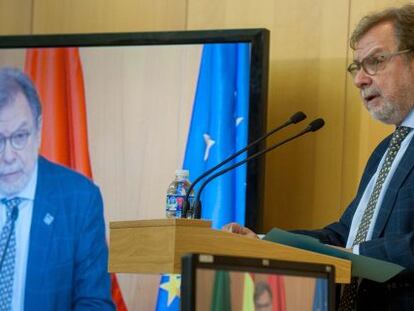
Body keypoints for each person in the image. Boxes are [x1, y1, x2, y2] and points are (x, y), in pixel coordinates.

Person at [224, 4, 414, 311]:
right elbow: (344, 235)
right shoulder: (388, 149)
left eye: (375, 61)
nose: (359, 80)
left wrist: (355, 254)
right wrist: (261, 242)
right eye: (356, 68)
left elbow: (356, 247)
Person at [0, 67, 114, 310]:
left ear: (39, 130)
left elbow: (95, 303)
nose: (8, 155)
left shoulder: (80, 200)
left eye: (20, 136)